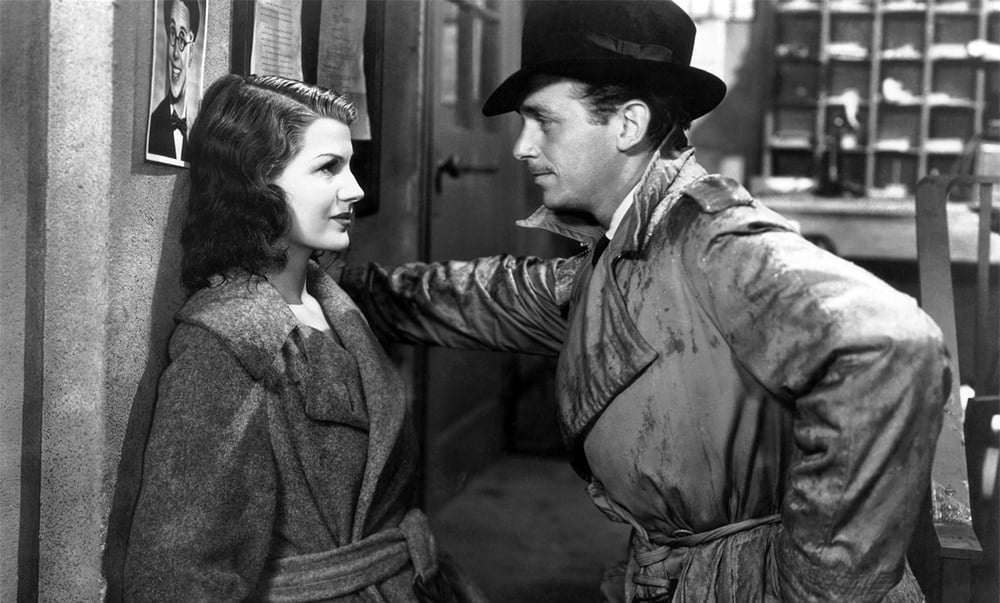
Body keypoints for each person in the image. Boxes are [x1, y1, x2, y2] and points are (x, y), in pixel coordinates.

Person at [339, 1, 951, 601]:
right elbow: (495, 296)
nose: (522, 146)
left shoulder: (709, 236)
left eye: (544, 121)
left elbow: (890, 346)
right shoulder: (630, 243)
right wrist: (334, 286)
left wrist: (817, 590)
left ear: (628, 125)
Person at [124, 74, 486, 602]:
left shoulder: (330, 304)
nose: (356, 189)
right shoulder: (226, 344)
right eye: (327, 168)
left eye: (350, 165)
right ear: (256, 182)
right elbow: (177, 572)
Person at [147, 0, 199, 162]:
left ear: (191, 52)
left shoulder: (199, 129)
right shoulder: (154, 124)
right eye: (172, 34)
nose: (175, 53)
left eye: (182, 39)